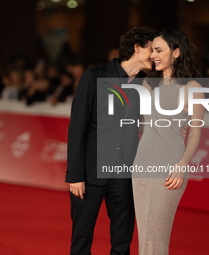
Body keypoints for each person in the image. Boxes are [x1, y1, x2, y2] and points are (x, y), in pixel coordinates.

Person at [65, 27, 155, 255]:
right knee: (82, 239)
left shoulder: (146, 85)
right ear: (137, 48)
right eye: (152, 49)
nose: (155, 56)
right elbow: (76, 129)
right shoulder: (94, 76)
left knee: (123, 241)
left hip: (125, 174)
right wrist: (75, 175)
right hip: (90, 173)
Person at [132, 29, 204, 255]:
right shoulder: (147, 85)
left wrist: (183, 163)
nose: (153, 54)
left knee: (155, 236)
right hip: (141, 164)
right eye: (152, 49)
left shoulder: (192, 88)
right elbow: (141, 124)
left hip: (169, 167)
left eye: (159, 50)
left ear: (176, 52)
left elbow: (195, 132)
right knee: (144, 236)